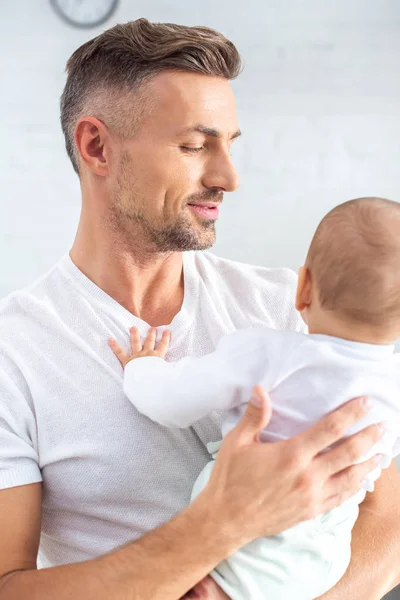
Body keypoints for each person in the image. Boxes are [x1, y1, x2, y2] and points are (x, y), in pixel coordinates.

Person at [0, 19, 398, 600]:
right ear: (97, 146)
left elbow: (387, 524)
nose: (228, 177)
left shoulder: (291, 307)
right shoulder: (16, 351)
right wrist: (219, 523)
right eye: (194, 145)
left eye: (230, 144)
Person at [110, 196, 400, 599]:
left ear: (304, 288)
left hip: (255, 549)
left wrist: (141, 368)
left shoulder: (269, 354)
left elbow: (169, 402)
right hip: (330, 550)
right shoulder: (393, 384)